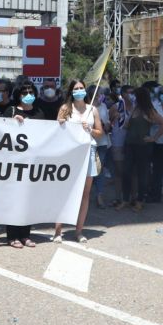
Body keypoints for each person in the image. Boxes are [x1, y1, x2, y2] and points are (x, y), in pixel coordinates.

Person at [53, 79, 105, 243]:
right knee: (64, 191)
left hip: (88, 152)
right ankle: (57, 231)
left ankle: (79, 231)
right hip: (69, 154)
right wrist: (60, 124)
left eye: (82, 88)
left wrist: (89, 129)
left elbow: (100, 133)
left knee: (85, 194)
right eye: (76, 88)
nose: (79, 90)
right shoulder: (65, 109)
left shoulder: (93, 110)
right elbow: (56, 131)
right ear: (71, 91)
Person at [4, 81, 45, 248]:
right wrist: (12, 121)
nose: (28, 94)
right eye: (24, 92)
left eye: (31, 91)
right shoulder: (11, 110)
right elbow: (0, 129)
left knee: (29, 200)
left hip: (33, 163)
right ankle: (12, 235)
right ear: (18, 95)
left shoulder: (39, 112)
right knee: (14, 199)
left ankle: (25, 235)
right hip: (15, 163)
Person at [121, 87, 163, 212]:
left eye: (134, 95)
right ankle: (126, 200)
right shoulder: (135, 108)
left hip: (143, 147)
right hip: (130, 145)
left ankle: (140, 201)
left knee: (142, 175)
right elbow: (126, 126)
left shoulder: (149, 111)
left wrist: (154, 138)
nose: (132, 97)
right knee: (126, 173)